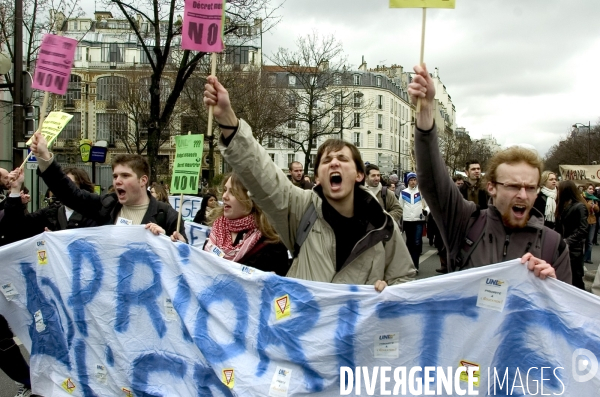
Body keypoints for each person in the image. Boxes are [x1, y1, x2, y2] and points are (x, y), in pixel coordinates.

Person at [203, 76, 416, 290]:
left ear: (359, 174)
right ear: (317, 177)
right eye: (326, 161)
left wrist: (388, 292)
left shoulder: (383, 226)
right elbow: (262, 174)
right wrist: (228, 119)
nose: (334, 163)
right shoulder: (301, 209)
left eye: (342, 159)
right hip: (305, 323)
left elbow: (405, 282)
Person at [409, 64, 570, 282]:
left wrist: (553, 287)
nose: (523, 194)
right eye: (513, 186)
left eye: (530, 187)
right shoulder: (466, 223)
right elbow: (432, 180)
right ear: (491, 187)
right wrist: (426, 110)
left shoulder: (554, 245)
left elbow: (565, 312)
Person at [29, 131, 186, 241]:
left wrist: (170, 241)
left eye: (125, 176)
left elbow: (183, 259)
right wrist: (45, 157)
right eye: (115, 176)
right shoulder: (107, 206)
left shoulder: (167, 216)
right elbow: (70, 195)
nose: (117, 181)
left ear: (143, 180)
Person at [203, 173, 290, 275]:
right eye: (225, 190)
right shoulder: (215, 232)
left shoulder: (271, 244)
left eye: (233, 192)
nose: (224, 196)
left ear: (250, 199)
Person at [4, 168, 97, 239]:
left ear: (82, 187)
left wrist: (58, 240)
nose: (66, 189)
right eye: (62, 185)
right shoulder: (51, 213)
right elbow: (17, 228)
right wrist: (15, 189)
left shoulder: (95, 214)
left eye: (71, 185)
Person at [555, 181, 588, 289]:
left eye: (559, 189)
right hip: (563, 248)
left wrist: (567, 241)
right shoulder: (562, 205)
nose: (557, 191)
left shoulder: (579, 207)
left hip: (574, 250)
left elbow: (583, 230)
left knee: (576, 279)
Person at [399, 172, 429, 271]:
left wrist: (426, 212)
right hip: (407, 221)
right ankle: (409, 264)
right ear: (408, 181)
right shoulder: (403, 192)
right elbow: (400, 207)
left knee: (416, 242)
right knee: (409, 243)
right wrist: (400, 220)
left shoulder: (421, 192)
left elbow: (428, 205)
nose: (413, 182)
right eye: (411, 180)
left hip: (418, 220)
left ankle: (415, 265)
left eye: (414, 180)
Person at [583, 183, 599, 264]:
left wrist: (595, 207)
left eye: (592, 189)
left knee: (589, 241)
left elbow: (597, 210)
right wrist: (589, 205)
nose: (591, 190)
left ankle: (587, 258)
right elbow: (583, 208)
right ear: (586, 189)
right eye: (590, 189)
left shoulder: (595, 199)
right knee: (582, 240)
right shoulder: (582, 197)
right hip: (584, 221)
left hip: (593, 222)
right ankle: (582, 257)